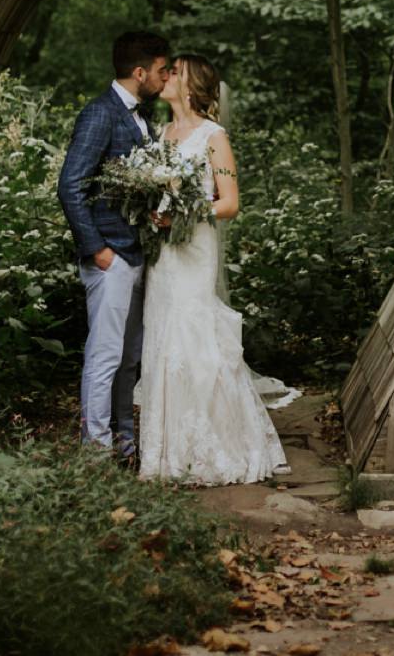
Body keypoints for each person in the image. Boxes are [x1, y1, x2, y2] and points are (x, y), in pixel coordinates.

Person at [135, 54, 289, 485]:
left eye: (174, 72)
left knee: (195, 339)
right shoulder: (161, 133)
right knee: (164, 336)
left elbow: (230, 203)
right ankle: (167, 454)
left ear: (191, 85)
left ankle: (215, 448)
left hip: (194, 250)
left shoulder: (214, 137)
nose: (166, 78)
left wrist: (185, 212)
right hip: (163, 254)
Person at [57, 30, 170, 457]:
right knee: (105, 357)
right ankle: (96, 448)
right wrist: (97, 249)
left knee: (128, 359)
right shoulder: (99, 114)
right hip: (110, 256)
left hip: (138, 253)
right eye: (161, 70)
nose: (165, 78)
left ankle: (125, 440)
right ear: (140, 72)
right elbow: (70, 186)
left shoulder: (142, 118)